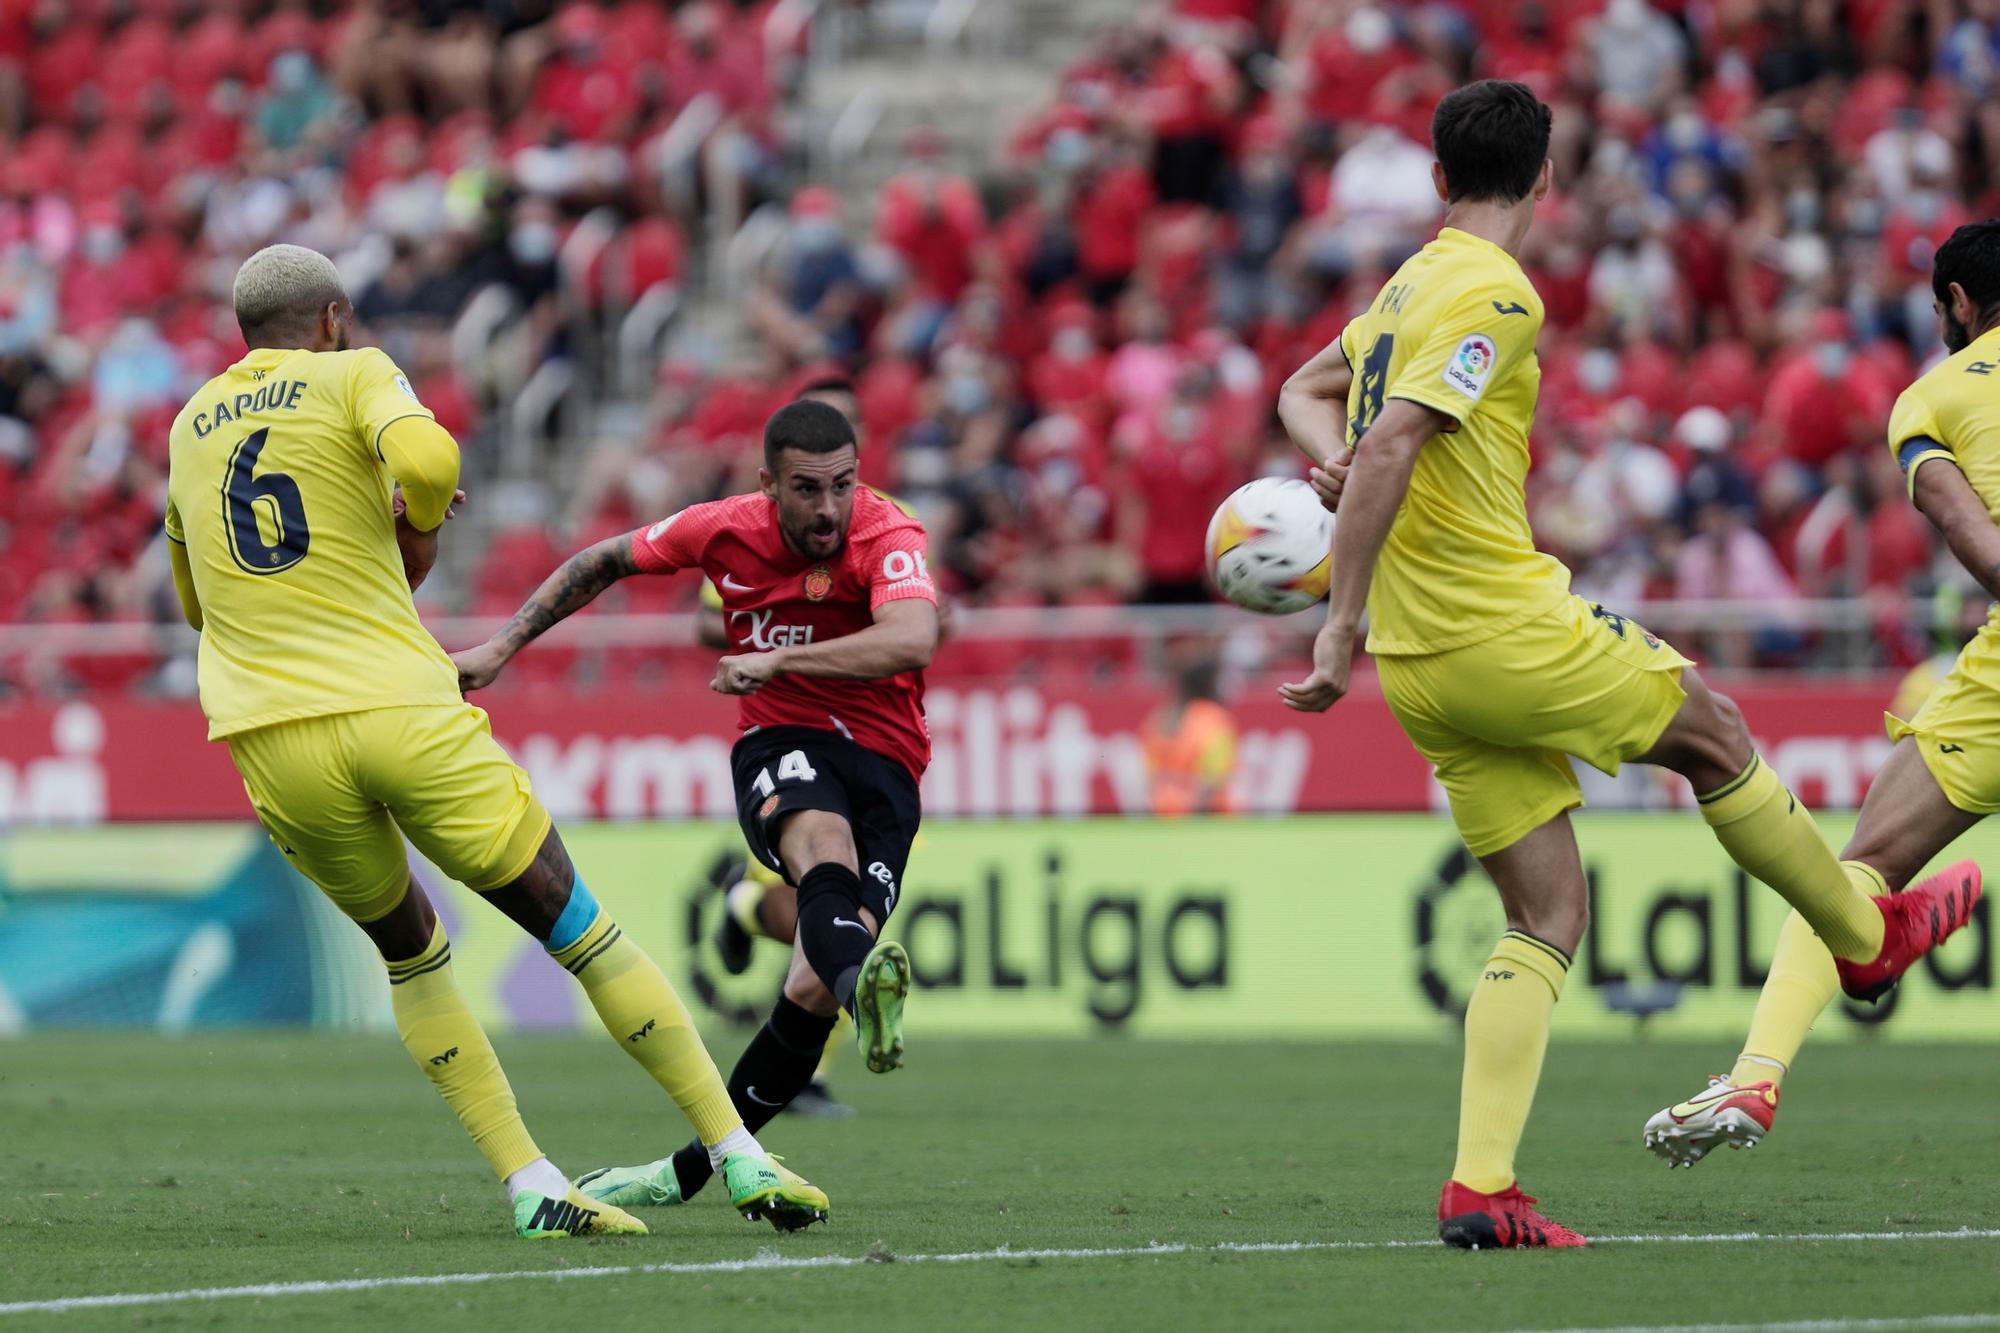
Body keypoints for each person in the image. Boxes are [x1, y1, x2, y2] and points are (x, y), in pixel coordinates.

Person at [1276, 82, 1981, 1250]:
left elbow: (1306, 397)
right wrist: (1335, 616)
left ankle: (1481, 1188)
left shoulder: (1400, 288)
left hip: (1424, 668)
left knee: (1546, 911)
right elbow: (1396, 438)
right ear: (1545, 180)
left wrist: (1335, 469)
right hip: (1495, 628)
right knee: (1709, 729)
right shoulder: (1494, 290)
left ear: (1440, 180)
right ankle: (1865, 942)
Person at [165, 243, 826, 1241]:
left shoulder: (187, 426)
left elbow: (190, 600)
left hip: (268, 735)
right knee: (576, 925)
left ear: (243, 333)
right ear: (334, 318)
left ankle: (530, 1179)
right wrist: (415, 514)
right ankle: (736, 1154)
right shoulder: (356, 370)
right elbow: (429, 462)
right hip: (396, 704)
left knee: (410, 957)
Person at [452, 399, 936, 1216]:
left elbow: (913, 639)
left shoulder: (888, 535)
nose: (829, 508)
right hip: (785, 738)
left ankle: (684, 1171)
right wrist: (503, 645)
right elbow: (604, 560)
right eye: (808, 489)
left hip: (888, 761)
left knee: (810, 985)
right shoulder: (721, 526)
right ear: (767, 484)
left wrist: (778, 658)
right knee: (821, 851)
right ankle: (866, 988)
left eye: (843, 486)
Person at [1643, 221, 2000, 1165]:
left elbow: (1970, 529)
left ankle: (1757, 1077)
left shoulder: (1929, 398)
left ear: (1959, 305)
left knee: (1856, 874)